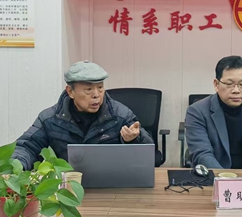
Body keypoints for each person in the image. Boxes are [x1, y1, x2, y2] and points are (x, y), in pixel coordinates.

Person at [13, 61, 154, 170]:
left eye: (100, 88)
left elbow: (148, 152)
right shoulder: (50, 118)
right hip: (69, 186)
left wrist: (133, 139)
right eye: (88, 89)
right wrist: (16, 167)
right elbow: (27, 147)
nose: (96, 95)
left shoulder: (120, 115)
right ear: (70, 91)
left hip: (112, 185)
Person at [185, 55, 242, 169]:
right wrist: (225, 177)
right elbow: (202, 154)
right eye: (229, 84)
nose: (236, 90)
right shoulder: (197, 111)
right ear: (216, 84)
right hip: (214, 176)